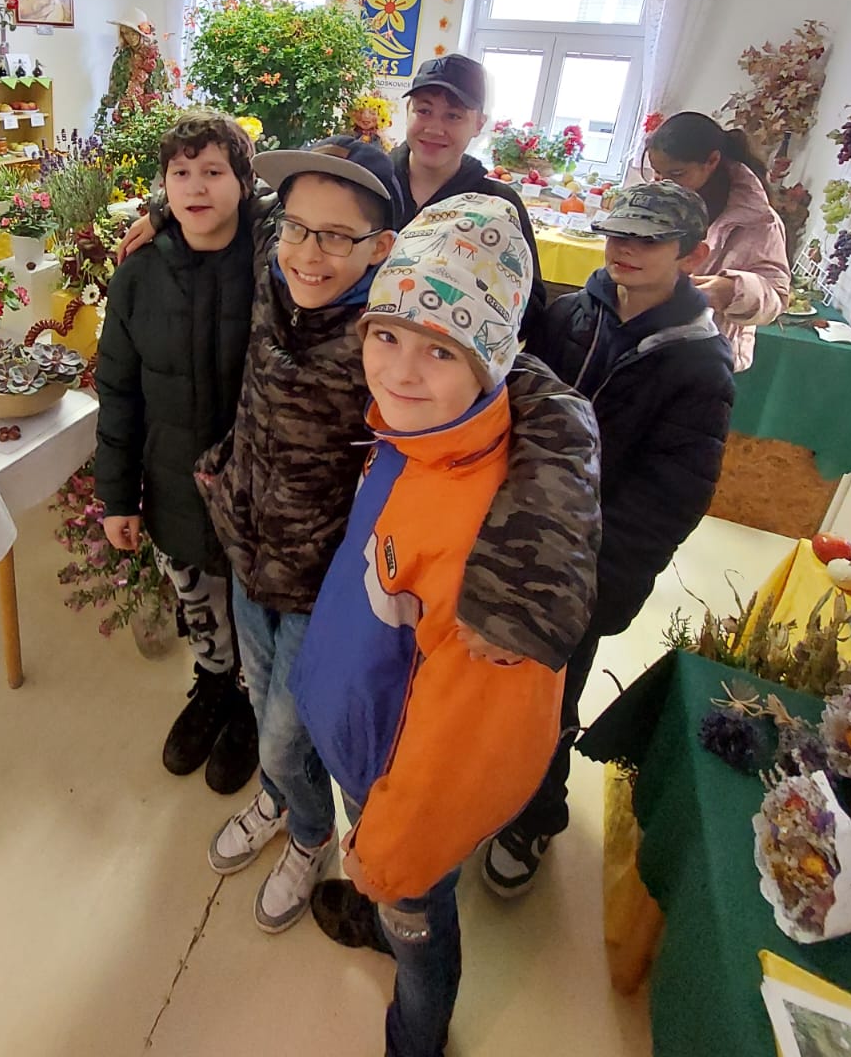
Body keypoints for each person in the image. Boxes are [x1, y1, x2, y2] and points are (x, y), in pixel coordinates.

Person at [290, 194, 602, 1057]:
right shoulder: (417, 434)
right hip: (369, 745)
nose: (398, 371)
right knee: (400, 902)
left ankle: (416, 1038)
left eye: (440, 349)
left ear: (494, 362)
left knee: (419, 923)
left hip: (405, 787)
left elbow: (470, 742)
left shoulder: (494, 538)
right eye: (386, 335)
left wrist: (390, 854)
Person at [480, 181, 734, 897]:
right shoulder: (569, 315)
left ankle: (536, 809)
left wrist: (596, 583)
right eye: (619, 233)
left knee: (554, 693)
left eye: (649, 239)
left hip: (586, 568)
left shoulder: (697, 365)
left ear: (694, 251)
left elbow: (668, 498)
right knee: (491, 677)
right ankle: (482, 787)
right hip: (512, 534)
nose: (625, 248)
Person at [200, 139, 403, 934]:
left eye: (335, 237)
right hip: (250, 546)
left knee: (289, 733)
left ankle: (310, 832)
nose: (307, 254)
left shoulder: (390, 339)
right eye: (296, 228)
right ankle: (281, 801)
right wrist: (154, 217)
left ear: (382, 248)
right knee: (260, 704)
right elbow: (219, 207)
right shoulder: (270, 271)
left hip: (325, 580)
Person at [94, 109, 260, 795]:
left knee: (258, 607)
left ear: (244, 184)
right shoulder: (138, 278)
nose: (197, 188)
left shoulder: (277, 257)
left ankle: (253, 704)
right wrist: (115, 498)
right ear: (163, 185)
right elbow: (119, 393)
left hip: (261, 494)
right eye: (180, 174)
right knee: (199, 601)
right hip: (174, 484)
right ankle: (213, 687)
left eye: (215, 172)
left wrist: (161, 211)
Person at [388, 53, 546, 332]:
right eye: (424, 111)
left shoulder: (498, 204)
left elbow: (530, 303)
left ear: (478, 124)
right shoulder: (370, 185)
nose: (435, 128)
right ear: (408, 110)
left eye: (453, 116)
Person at [645, 111, 790, 370]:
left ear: (712, 161)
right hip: (643, 344)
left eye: (677, 174)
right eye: (657, 173)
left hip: (705, 359)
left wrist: (732, 291)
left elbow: (777, 297)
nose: (665, 184)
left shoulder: (758, 221)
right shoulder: (655, 200)